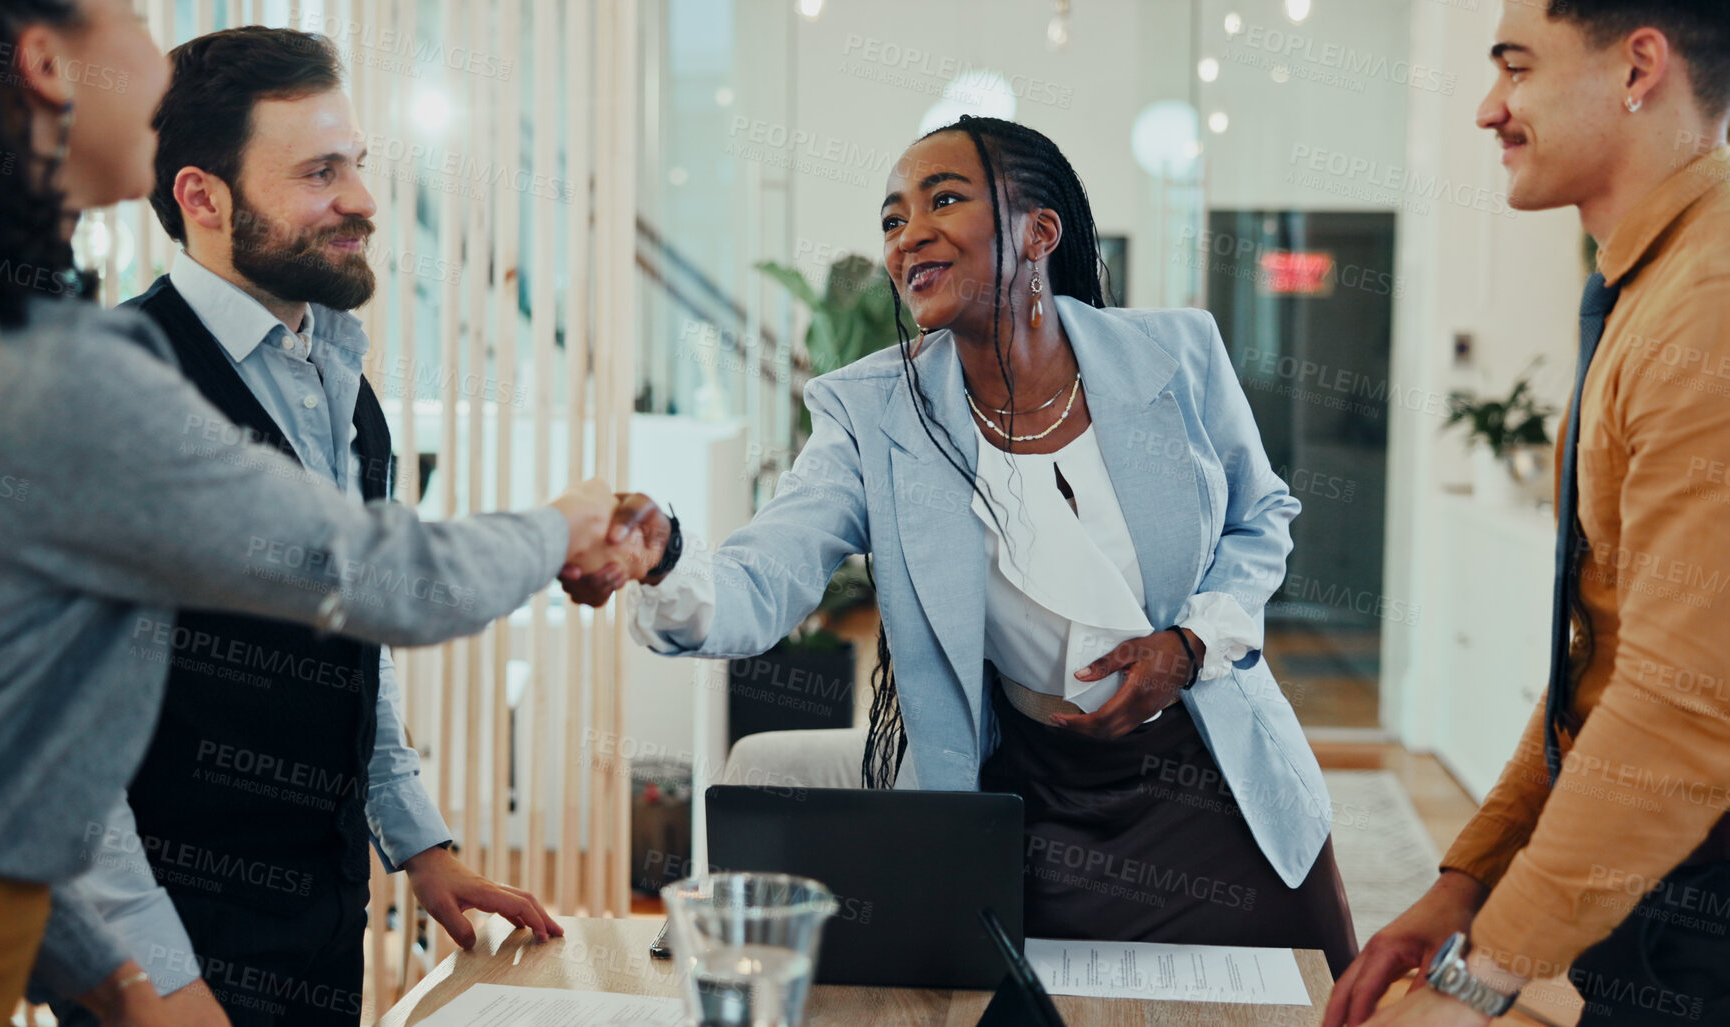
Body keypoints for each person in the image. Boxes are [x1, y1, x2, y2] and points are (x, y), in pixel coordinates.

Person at [0, 2, 621, 1023]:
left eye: (355, 161)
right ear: (50, 67)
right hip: (170, 934)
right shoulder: (80, 380)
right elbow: (373, 578)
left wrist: (418, 842)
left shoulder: (332, 384)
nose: (363, 198)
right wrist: (151, 983)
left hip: (298, 918)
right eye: (322, 171)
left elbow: (12, 741)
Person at [568, 116, 1358, 975]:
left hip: (1217, 787)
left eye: (943, 199)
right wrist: (667, 558)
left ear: (1038, 231)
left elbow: (1260, 516)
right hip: (1033, 807)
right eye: (892, 219)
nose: (909, 235)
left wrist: (1191, 643)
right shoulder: (870, 414)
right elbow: (768, 575)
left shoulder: (1173, 354)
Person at [1325, 2, 1730, 1025]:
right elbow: (1603, 669)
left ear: (1641, 66)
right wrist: (1468, 882)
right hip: (1686, 900)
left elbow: (1685, 707)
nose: (1487, 109)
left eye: (1516, 68)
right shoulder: (1666, 286)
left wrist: (1480, 979)